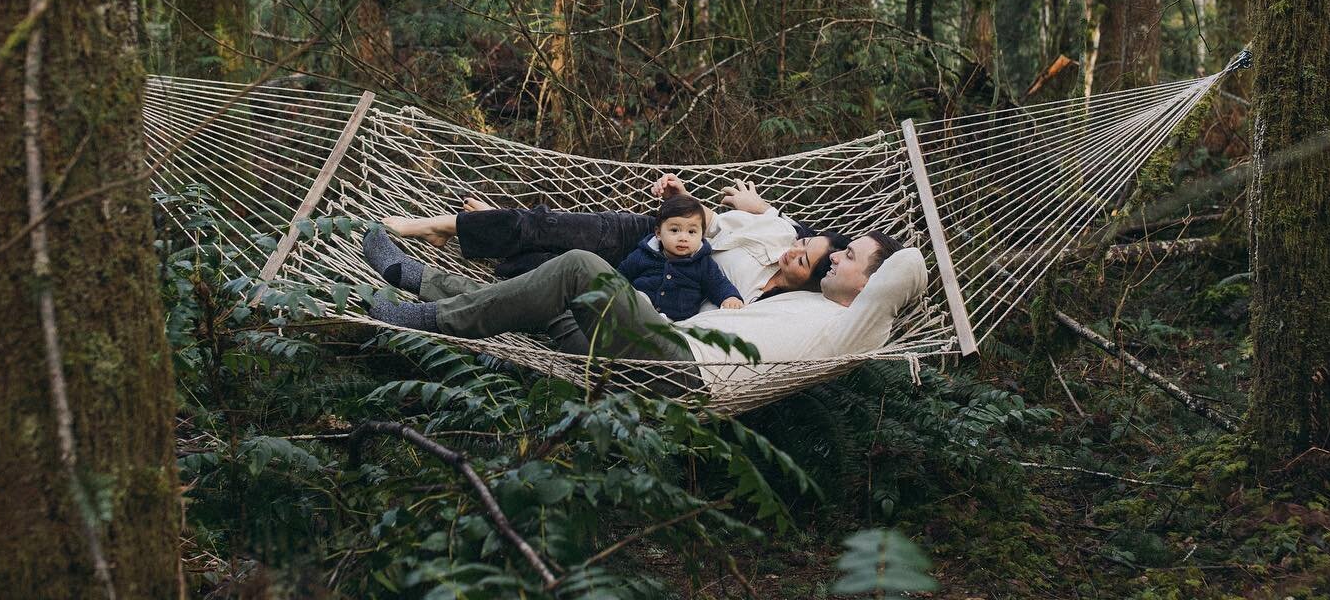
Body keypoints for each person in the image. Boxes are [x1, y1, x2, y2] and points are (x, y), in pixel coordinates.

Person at [365, 229, 922, 396]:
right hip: (652, 354)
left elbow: (907, 268)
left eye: (850, 257)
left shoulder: (861, 327)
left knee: (580, 265)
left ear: (874, 283)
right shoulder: (804, 299)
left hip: (681, 372)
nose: (837, 259)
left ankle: (430, 320)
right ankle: (414, 278)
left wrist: (904, 247)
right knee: (552, 302)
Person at [377, 174, 849, 304]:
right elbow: (715, 221)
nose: (794, 250)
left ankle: (485, 227)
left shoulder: (762, 301)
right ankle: (438, 226)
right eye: (803, 244)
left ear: (809, 279)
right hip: (652, 233)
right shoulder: (780, 228)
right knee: (546, 225)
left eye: (802, 259)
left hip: (650, 279)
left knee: (532, 268)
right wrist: (685, 200)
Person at [615, 194, 743, 321]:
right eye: (675, 230)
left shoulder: (702, 263)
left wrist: (730, 297)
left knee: (709, 313)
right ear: (659, 233)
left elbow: (718, 283)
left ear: (701, 236)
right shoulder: (644, 254)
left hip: (678, 321)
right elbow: (621, 274)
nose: (683, 238)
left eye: (691, 232)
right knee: (639, 297)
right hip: (641, 312)